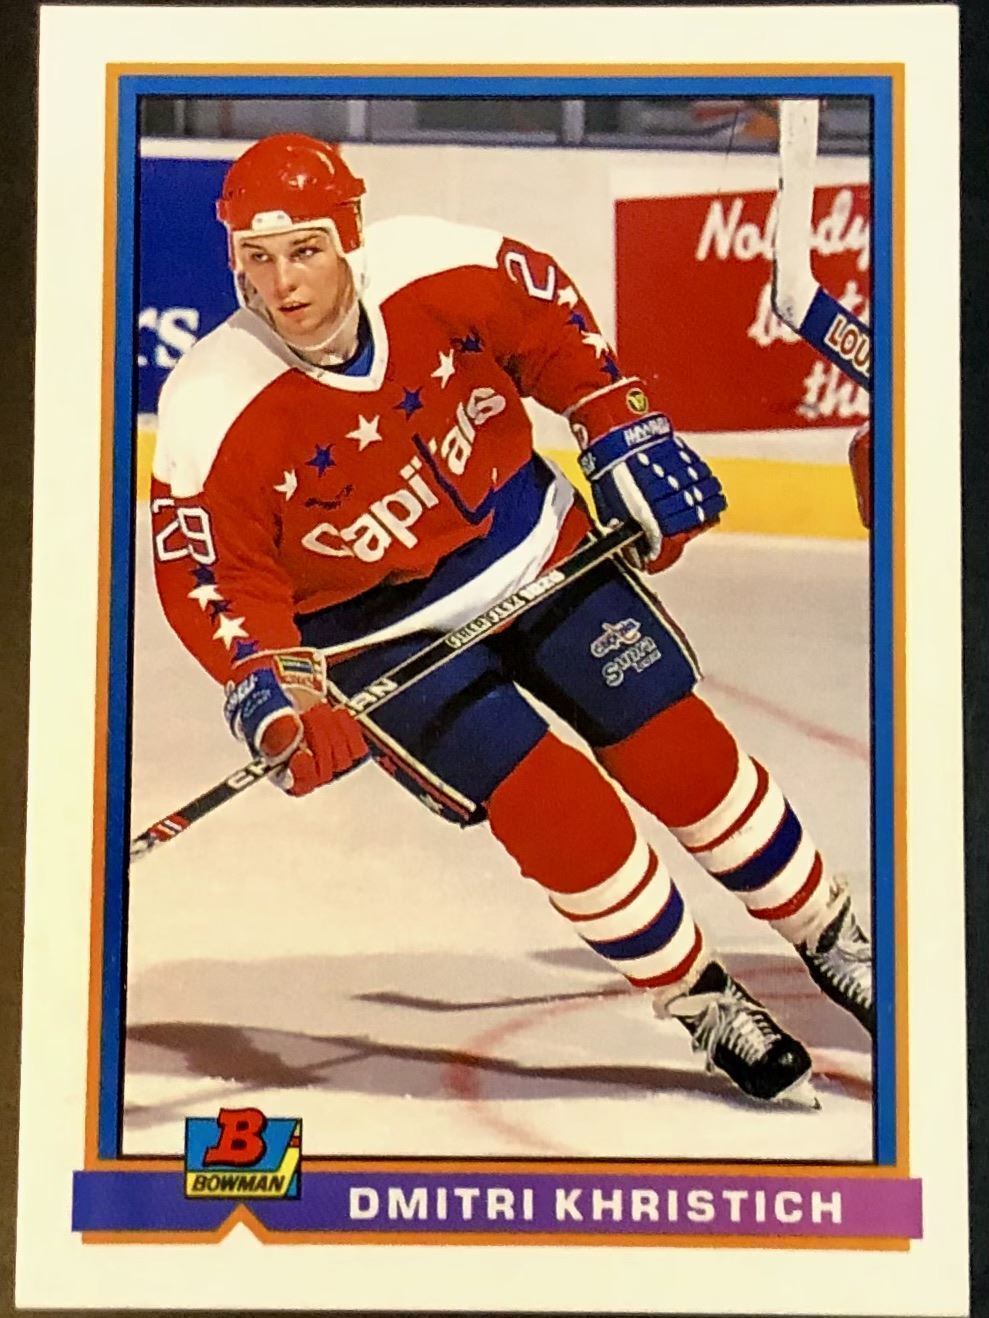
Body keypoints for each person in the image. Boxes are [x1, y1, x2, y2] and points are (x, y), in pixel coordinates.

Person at [151, 133, 873, 1107]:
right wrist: (276, 686)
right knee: (555, 810)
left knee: (679, 752)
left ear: (349, 235)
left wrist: (614, 417)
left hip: (531, 544)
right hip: (374, 638)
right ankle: (698, 995)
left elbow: (548, 324)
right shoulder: (209, 405)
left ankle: (826, 930)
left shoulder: (437, 267)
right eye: (257, 256)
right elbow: (215, 579)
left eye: (305, 250)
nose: (282, 283)